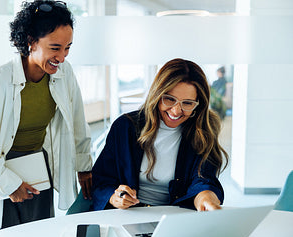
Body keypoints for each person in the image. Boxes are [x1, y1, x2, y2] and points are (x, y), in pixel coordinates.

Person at [0, 0, 93, 237]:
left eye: (67, 48)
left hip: (36, 167)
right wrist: (9, 185)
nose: (62, 57)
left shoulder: (65, 74)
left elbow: (77, 122)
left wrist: (84, 166)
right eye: (55, 48)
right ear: (30, 41)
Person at [92, 58, 228, 212]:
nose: (176, 111)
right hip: (127, 214)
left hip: (172, 217)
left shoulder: (203, 132)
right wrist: (115, 197)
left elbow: (203, 179)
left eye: (188, 103)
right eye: (169, 99)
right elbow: (102, 180)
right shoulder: (125, 127)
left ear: (198, 105)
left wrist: (205, 197)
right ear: (157, 95)